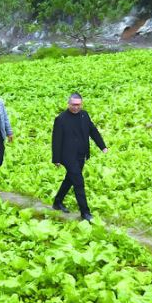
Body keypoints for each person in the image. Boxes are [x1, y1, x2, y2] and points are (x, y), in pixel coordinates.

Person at [51, 93, 108, 221]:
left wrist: (102, 146)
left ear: (81, 104)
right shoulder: (61, 119)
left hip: (81, 155)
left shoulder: (84, 115)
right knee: (79, 182)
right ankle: (85, 212)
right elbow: (56, 140)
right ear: (68, 104)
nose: (76, 107)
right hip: (67, 156)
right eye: (73, 105)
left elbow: (93, 131)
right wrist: (56, 158)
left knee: (70, 179)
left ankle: (57, 202)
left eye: (78, 105)